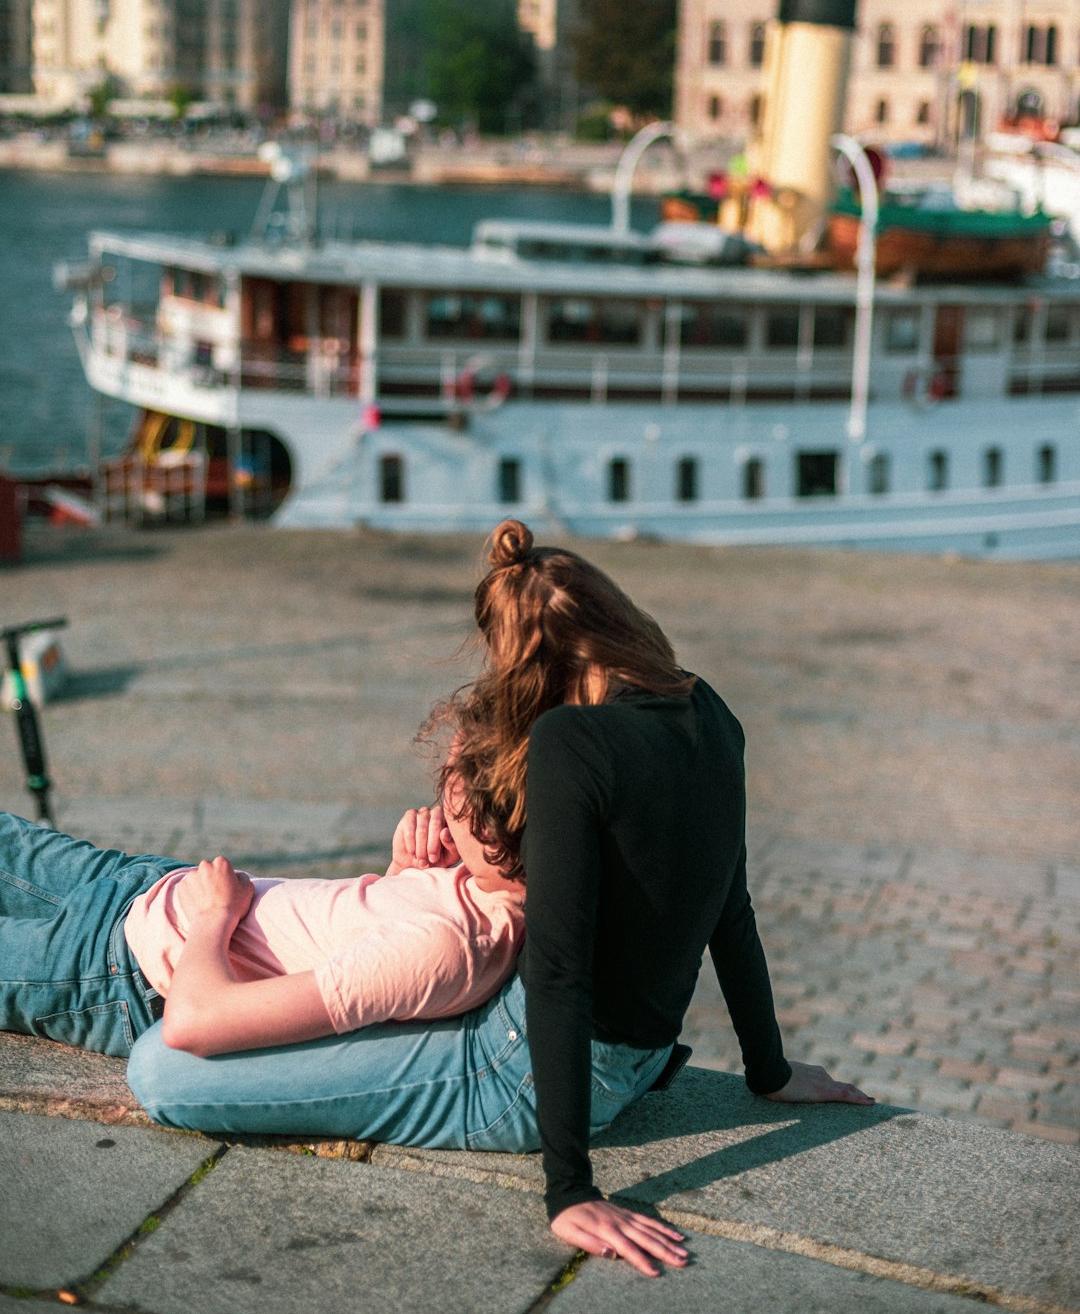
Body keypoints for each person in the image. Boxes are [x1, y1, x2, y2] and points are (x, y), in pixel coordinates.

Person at [129, 519, 872, 1278]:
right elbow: (729, 907)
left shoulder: (572, 741)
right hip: (638, 1059)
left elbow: (556, 968)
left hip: (521, 1069)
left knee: (163, 1073)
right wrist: (769, 1068)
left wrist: (569, 1190)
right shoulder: (712, 713)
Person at [0, 794, 523, 1060]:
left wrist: (214, 915)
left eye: (457, 784)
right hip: (149, 886)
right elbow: (353, 945)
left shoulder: (451, 945)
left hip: (120, 970)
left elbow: (195, 1023)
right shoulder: (484, 888)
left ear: (492, 826)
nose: (444, 803)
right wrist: (403, 875)